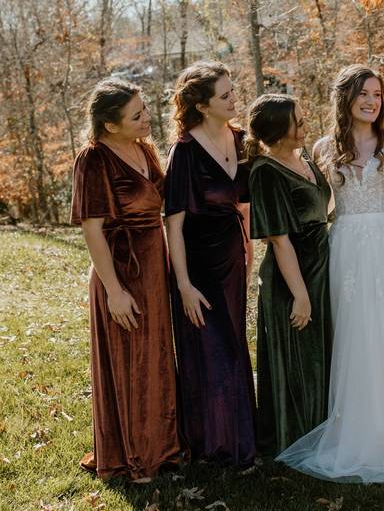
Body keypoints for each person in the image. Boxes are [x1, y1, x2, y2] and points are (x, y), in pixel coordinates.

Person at [276, 65, 384, 483]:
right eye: (364, 94)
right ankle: (358, 431)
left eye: (378, 95)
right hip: (347, 247)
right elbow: (315, 204)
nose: (372, 102)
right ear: (345, 99)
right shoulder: (322, 149)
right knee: (357, 338)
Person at [71, 77, 179, 482]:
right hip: (119, 270)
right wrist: (114, 291)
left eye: (146, 109)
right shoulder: (93, 159)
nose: (147, 118)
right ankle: (134, 457)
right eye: (137, 115)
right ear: (110, 125)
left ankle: (162, 447)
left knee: (154, 357)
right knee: (128, 360)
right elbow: (92, 230)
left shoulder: (145, 150)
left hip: (154, 266)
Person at [164, 61, 256, 466]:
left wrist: (249, 246)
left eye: (234, 91)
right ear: (202, 106)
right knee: (209, 349)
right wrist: (183, 283)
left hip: (233, 259)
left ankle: (241, 439)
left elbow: (244, 200)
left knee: (235, 346)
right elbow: (174, 224)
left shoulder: (240, 140)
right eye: (226, 95)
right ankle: (212, 444)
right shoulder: (184, 152)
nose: (235, 98)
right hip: (197, 264)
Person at [247, 94, 333, 457]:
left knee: (321, 354)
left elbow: (323, 207)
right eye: (297, 121)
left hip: (321, 268)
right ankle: (296, 434)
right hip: (291, 276)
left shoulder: (306, 158)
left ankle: (324, 425)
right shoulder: (265, 171)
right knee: (299, 357)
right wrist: (300, 294)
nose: (304, 125)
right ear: (279, 130)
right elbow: (280, 241)